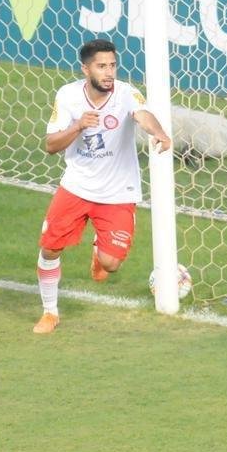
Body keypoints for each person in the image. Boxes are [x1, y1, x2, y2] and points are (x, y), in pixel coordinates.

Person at [33, 38, 172, 334]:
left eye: (112, 65)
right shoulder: (68, 96)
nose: (109, 72)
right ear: (86, 69)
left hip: (117, 192)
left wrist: (159, 132)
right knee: (49, 249)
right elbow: (50, 145)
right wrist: (78, 126)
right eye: (101, 66)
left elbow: (142, 115)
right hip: (76, 186)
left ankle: (99, 251)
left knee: (110, 265)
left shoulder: (126, 94)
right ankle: (50, 312)